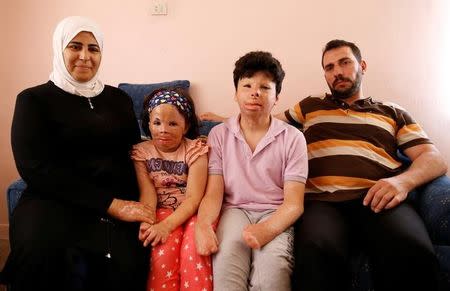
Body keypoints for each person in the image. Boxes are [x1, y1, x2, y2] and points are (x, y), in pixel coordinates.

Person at [201, 39, 448, 291]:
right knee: (315, 250)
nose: (337, 71)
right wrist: (220, 123)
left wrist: (402, 182)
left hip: (379, 198)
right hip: (324, 203)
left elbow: (434, 159)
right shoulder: (311, 105)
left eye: (344, 63)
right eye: (329, 67)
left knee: (411, 248)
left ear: (362, 66)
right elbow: (264, 120)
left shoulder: (392, 111)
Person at [1, 16, 154, 291]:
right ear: (60, 49)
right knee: (41, 252)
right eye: (75, 46)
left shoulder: (118, 99)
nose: (85, 56)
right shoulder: (33, 100)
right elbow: (34, 168)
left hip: (116, 200)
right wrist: (111, 204)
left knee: (126, 260)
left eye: (93, 49)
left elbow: (135, 152)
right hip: (53, 199)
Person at [195, 51, 308, 291]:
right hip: (234, 210)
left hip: (275, 212)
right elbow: (214, 192)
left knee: (273, 272)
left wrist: (266, 230)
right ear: (236, 93)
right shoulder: (219, 135)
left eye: (265, 87)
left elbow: (294, 204)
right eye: (247, 85)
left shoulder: (293, 138)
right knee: (226, 265)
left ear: (277, 96)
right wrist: (203, 225)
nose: (255, 92)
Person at [131, 88, 211, 291]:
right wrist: (147, 219)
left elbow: (194, 199)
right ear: (148, 124)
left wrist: (166, 226)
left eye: (173, 123)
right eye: (157, 122)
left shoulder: (195, 151)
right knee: (162, 252)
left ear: (186, 126)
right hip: (161, 210)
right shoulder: (141, 152)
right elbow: (147, 193)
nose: (163, 129)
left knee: (193, 252)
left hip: (195, 212)